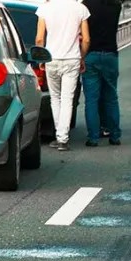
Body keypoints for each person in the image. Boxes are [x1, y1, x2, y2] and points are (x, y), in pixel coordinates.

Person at [36, 0, 91, 151]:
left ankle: (59, 136)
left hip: (52, 59)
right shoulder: (80, 8)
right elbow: (86, 39)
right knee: (68, 98)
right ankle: (62, 139)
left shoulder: (45, 8)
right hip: (72, 59)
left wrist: (41, 58)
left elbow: (39, 38)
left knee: (55, 98)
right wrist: (82, 57)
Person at [82, 0, 122, 146]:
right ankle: (115, 135)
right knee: (111, 97)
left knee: (91, 99)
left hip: (91, 55)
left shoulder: (85, 5)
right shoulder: (116, 5)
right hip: (111, 55)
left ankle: (93, 137)